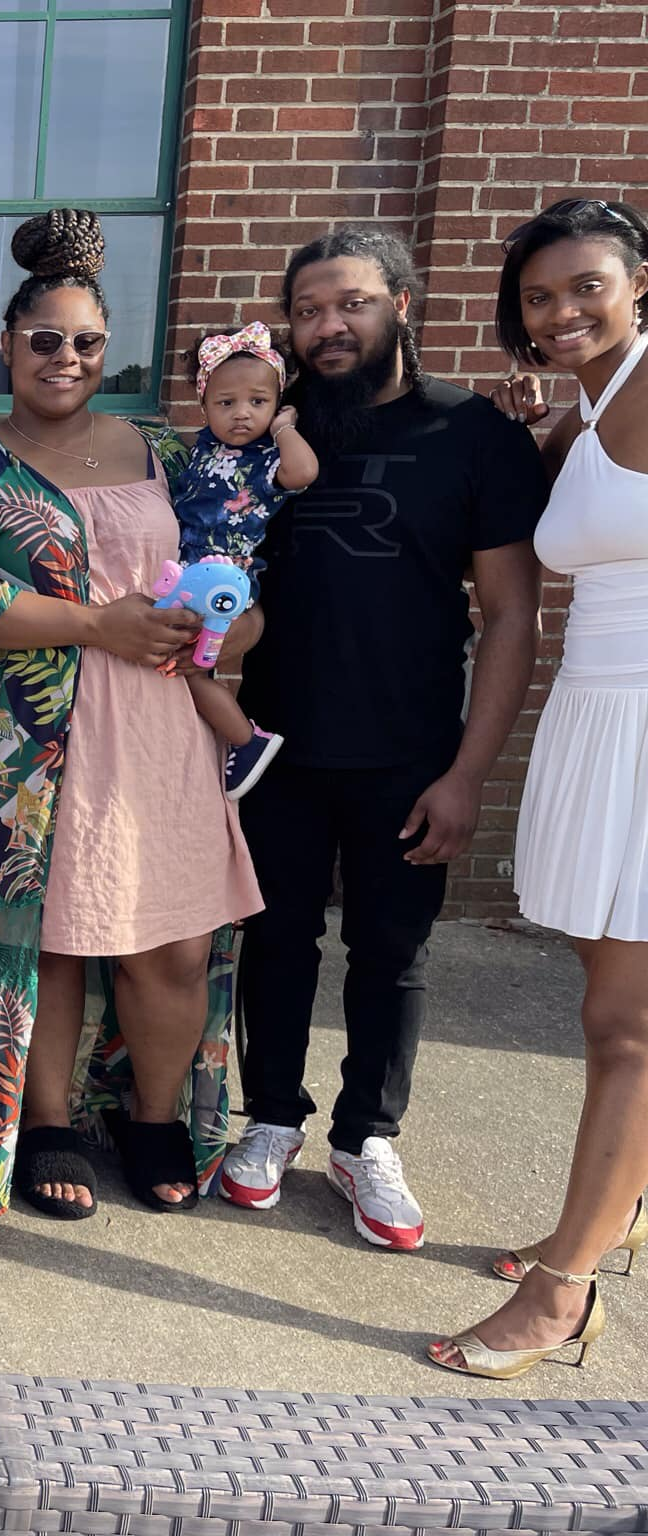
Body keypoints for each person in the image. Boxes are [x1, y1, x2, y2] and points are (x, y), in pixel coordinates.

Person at [0, 210, 261, 1230]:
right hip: (23, 740)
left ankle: (147, 1117)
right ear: (5, 347)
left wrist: (230, 623)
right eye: (42, 339)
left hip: (160, 730)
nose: (64, 357)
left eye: (84, 341)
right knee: (45, 940)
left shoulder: (164, 454)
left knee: (170, 943)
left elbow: (237, 559)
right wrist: (98, 623)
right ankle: (44, 1122)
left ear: (108, 350)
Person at [221, 227, 546, 1250]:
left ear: (400, 305)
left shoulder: (471, 433)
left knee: (389, 953)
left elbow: (508, 616)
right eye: (308, 308)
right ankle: (270, 1116)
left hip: (408, 746)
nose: (327, 325)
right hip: (272, 739)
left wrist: (466, 774)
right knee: (272, 938)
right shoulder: (257, 428)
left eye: (350, 303)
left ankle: (365, 1138)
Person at [425, 198, 648, 1378]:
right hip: (595, 705)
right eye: (537, 297)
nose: (559, 312)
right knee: (605, 988)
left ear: (639, 281)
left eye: (584, 288)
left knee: (624, 1031)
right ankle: (614, 1206)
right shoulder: (592, 401)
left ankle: (563, 1293)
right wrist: (546, 439)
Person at [170, 321, 319, 798]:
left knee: (187, 669)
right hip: (188, 573)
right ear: (204, 406)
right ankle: (205, 747)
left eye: (258, 402)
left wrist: (285, 430)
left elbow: (304, 473)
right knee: (179, 669)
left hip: (227, 577)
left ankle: (245, 740)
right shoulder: (201, 447)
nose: (241, 414)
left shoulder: (267, 457)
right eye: (226, 403)